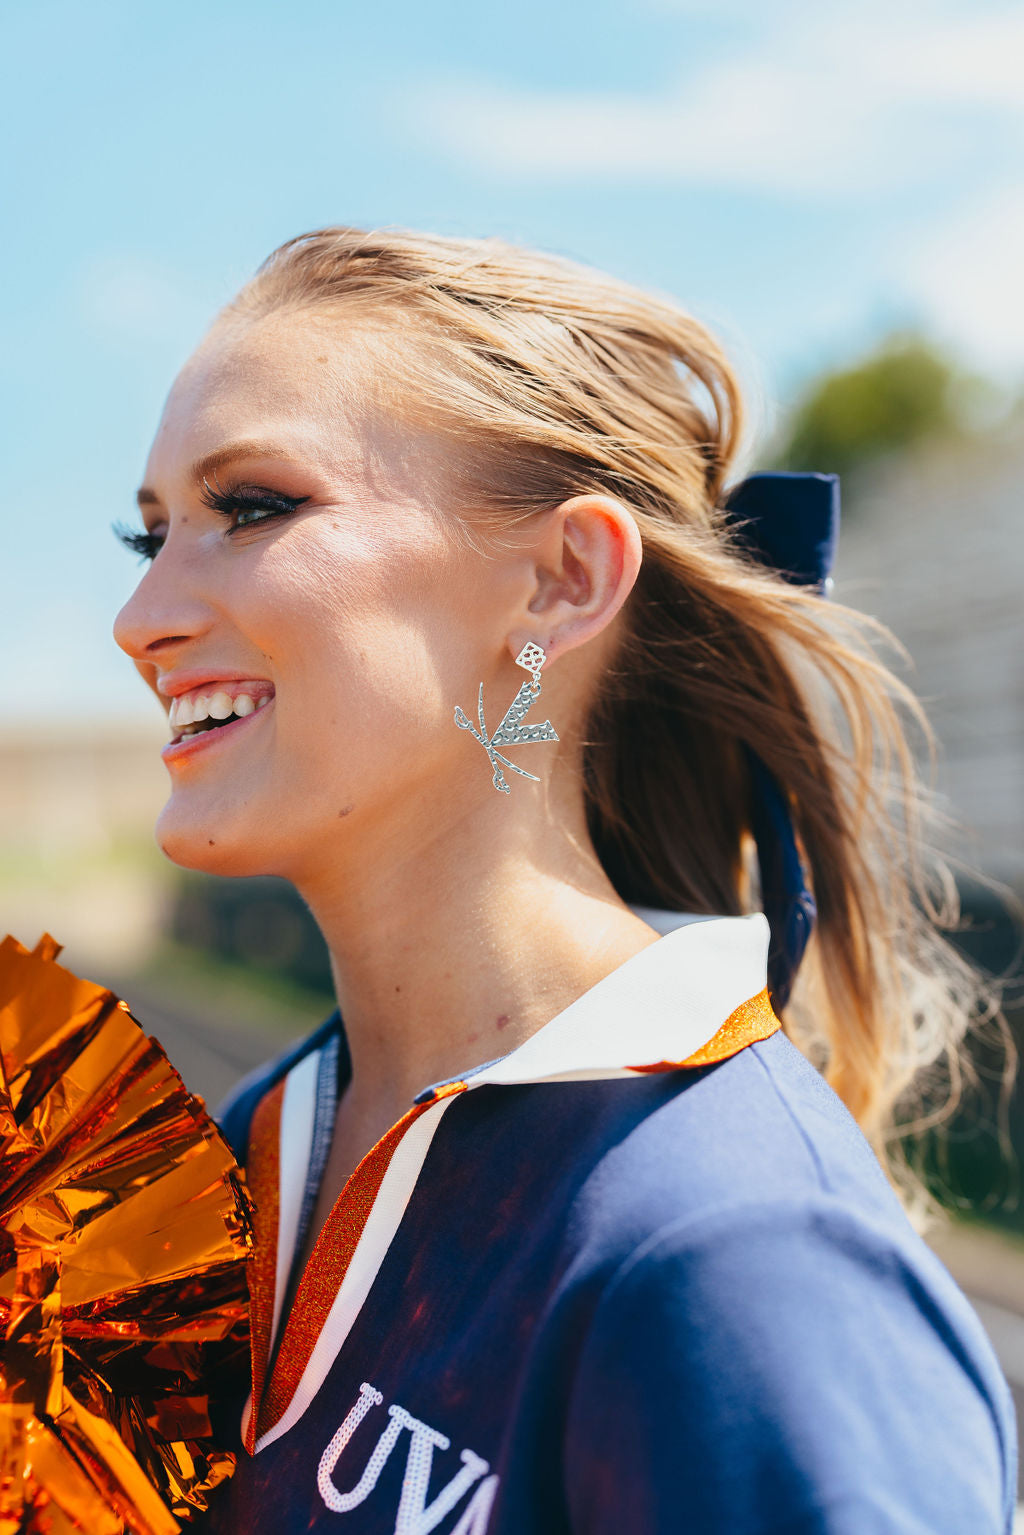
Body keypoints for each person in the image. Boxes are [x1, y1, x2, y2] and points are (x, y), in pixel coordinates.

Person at [112, 226, 1018, 1534]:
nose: (144, 620)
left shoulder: (737, 1265)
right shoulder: (247, 1148)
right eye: (150, 539)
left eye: (251, 508)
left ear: (561, 579)